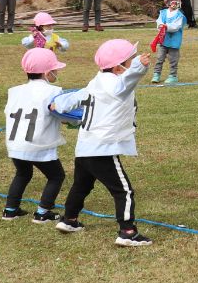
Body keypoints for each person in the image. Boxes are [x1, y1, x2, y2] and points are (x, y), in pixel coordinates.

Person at [50, 39, 153, 246]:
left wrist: (57, 104)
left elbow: (73, 97)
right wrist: (139, 66)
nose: (133, 61)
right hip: (102, 148)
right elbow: (127, 82)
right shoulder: (116, 84)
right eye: (130, 60)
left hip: (85, 147)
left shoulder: (96, 82)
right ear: (118, 67)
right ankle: (128, 232)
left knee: (81, 185)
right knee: (123, 191)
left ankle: (69, 219)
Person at [2, 48, 67, 222]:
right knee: (56, 176)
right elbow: (62, 114)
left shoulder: (14, 91)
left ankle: (10, 209)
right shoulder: (53, 91)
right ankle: (42, 212)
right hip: (37, 143)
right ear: (47, 73)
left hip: (15, 143)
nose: (57, 72)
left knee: (22, 174)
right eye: (55, 69)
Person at [151, 0, 186, 84]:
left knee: (173, 59)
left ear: (179, 3)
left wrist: (166, 27)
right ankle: (156, 74)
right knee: (159, 58)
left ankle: (173, 75)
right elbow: (159, 22)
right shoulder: (163, 13)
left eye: (176, 0)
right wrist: (160, 26)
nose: (173, 2)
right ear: (167, 2)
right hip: (163, 40)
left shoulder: (180, 15)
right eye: (171, 0)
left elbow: (176, 26)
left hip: (174, 41)